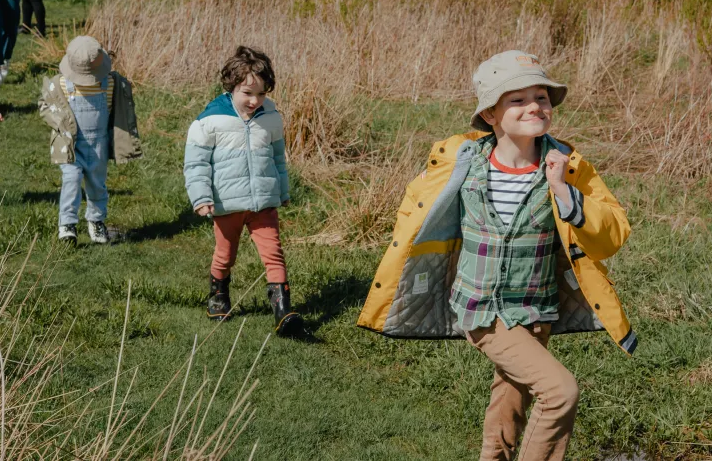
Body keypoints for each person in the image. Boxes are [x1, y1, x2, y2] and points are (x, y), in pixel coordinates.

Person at [358, 51, 635, 461]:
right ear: (490, 114)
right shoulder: (463, 163)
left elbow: (613, 233)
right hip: (483, 311)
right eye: (517, 99)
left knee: (509, 405)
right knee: (560, 392)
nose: (534, 106)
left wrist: (564, 192)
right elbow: (416, 214)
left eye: (541, 96)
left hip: (537, 310)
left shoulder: (568, 168)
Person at [183, 46, 306, 337]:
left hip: (264, 202)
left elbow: (278, 160)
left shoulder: (271, 118)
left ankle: (282, 311)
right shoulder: (209, 121)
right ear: (230, 87)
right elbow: (196, 164)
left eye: (261, 94)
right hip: (227, 204)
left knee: (274, 254)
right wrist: (201, 197)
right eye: (247, 93)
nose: (254, 101)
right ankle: (218, 294)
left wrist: (282, 191)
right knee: (225, 255)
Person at [38, 36, 121, 245]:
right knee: (71, 180)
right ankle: (67, 223)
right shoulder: (61, 84)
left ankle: (96, 219)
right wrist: (58, 121)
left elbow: (115, 111)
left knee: (97, 184)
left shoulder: (109, 83)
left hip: (98, 144)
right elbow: (45, 105)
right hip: (70, 144)